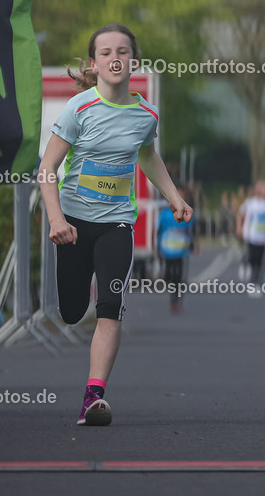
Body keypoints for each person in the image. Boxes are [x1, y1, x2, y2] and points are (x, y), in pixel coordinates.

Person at [38, 22, 192, 426]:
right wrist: (56, 218)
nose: (114, 58)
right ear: (94, 63)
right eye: (105, 53)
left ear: (134, 61)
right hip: (71, 222)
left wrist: (174, 197)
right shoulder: (79, 108)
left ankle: (94, 396)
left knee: (111, 306)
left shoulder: (145, 114)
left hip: (116, 224)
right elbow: (47, 168)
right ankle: (78, 293)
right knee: (72, 311)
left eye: (122, 51)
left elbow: (147, 155)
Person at [236, 180, 265, 294]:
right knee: (253, 257)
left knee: (261, 261)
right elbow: (240, 214)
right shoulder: (251, 203)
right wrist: (239, 228)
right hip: (251, 235)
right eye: (264, 190)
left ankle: (255, 283)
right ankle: (245, 264)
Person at [158, 186, 197, 314]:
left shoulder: (187, 213)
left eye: (182, 196)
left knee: (179, 278)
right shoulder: (165, 214)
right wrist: (157, 248)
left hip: (181, 251)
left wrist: (193, 245)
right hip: (167, 251)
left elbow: (191, 232)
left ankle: (175, 302)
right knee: (170, 276)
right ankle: (167, 277)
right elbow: (158, 231)